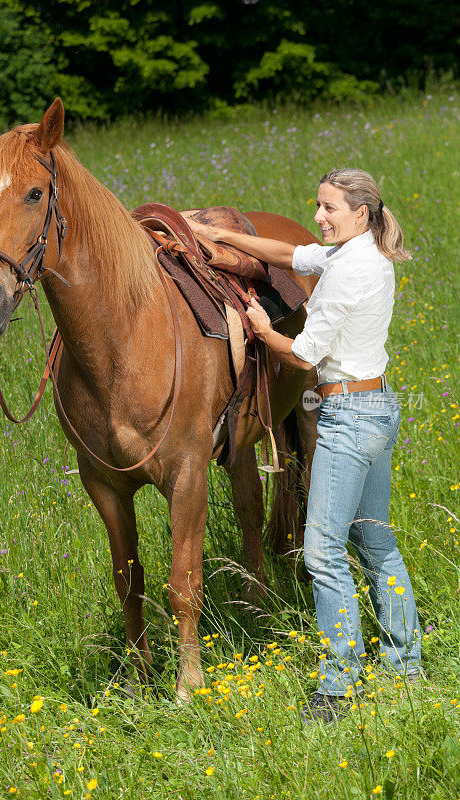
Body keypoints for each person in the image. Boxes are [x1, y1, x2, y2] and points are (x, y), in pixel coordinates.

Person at [188, 168, 423, 723]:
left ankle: (338, 685)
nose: (319, 217)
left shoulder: (350, 272)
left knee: (322, 552)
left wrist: (260, 327)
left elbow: (304, 354)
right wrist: (229, 240)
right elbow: (293, 254)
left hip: (345, 419)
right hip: (375, 407)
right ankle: (405, 664)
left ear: (360, 214)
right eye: (317, 206)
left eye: (329, 209)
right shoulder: (352, 254)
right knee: (375, 543)